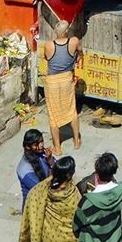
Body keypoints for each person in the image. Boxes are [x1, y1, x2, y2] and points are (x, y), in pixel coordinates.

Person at [42, 22, 82, 152]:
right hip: (67, 79)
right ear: (67, 31)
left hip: (52, 81)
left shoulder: (48, 45)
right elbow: (80, 52)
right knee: (72, 110)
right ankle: (76, 140)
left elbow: (46, 58)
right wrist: (76, 59)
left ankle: (57, 148)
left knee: (53, 115)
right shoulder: (74, 41)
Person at [16, 128, 55, 205]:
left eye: (41, 141)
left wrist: (50, 160)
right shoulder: (25, 170)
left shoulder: (43, 154)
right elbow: (42, 190)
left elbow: (58, 169)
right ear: (27, 146)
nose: (41, 145)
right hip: (34, 204)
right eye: (36, 144)